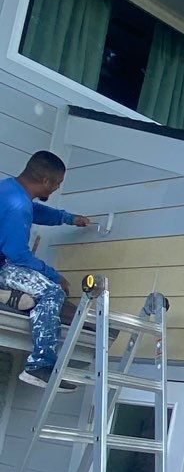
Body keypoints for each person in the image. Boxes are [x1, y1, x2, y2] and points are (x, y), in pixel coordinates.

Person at [0, 151, 91, 387]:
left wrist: (68, 218)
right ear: (46, 182)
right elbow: (17, 254)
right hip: (3, 265)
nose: (56, 189)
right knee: (51, 292)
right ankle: (39, 366)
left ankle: (13, 297)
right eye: (57, 184)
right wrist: (53, 275)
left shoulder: (10, 189)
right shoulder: (18, 205)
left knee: (35, 286)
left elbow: (35, 211)